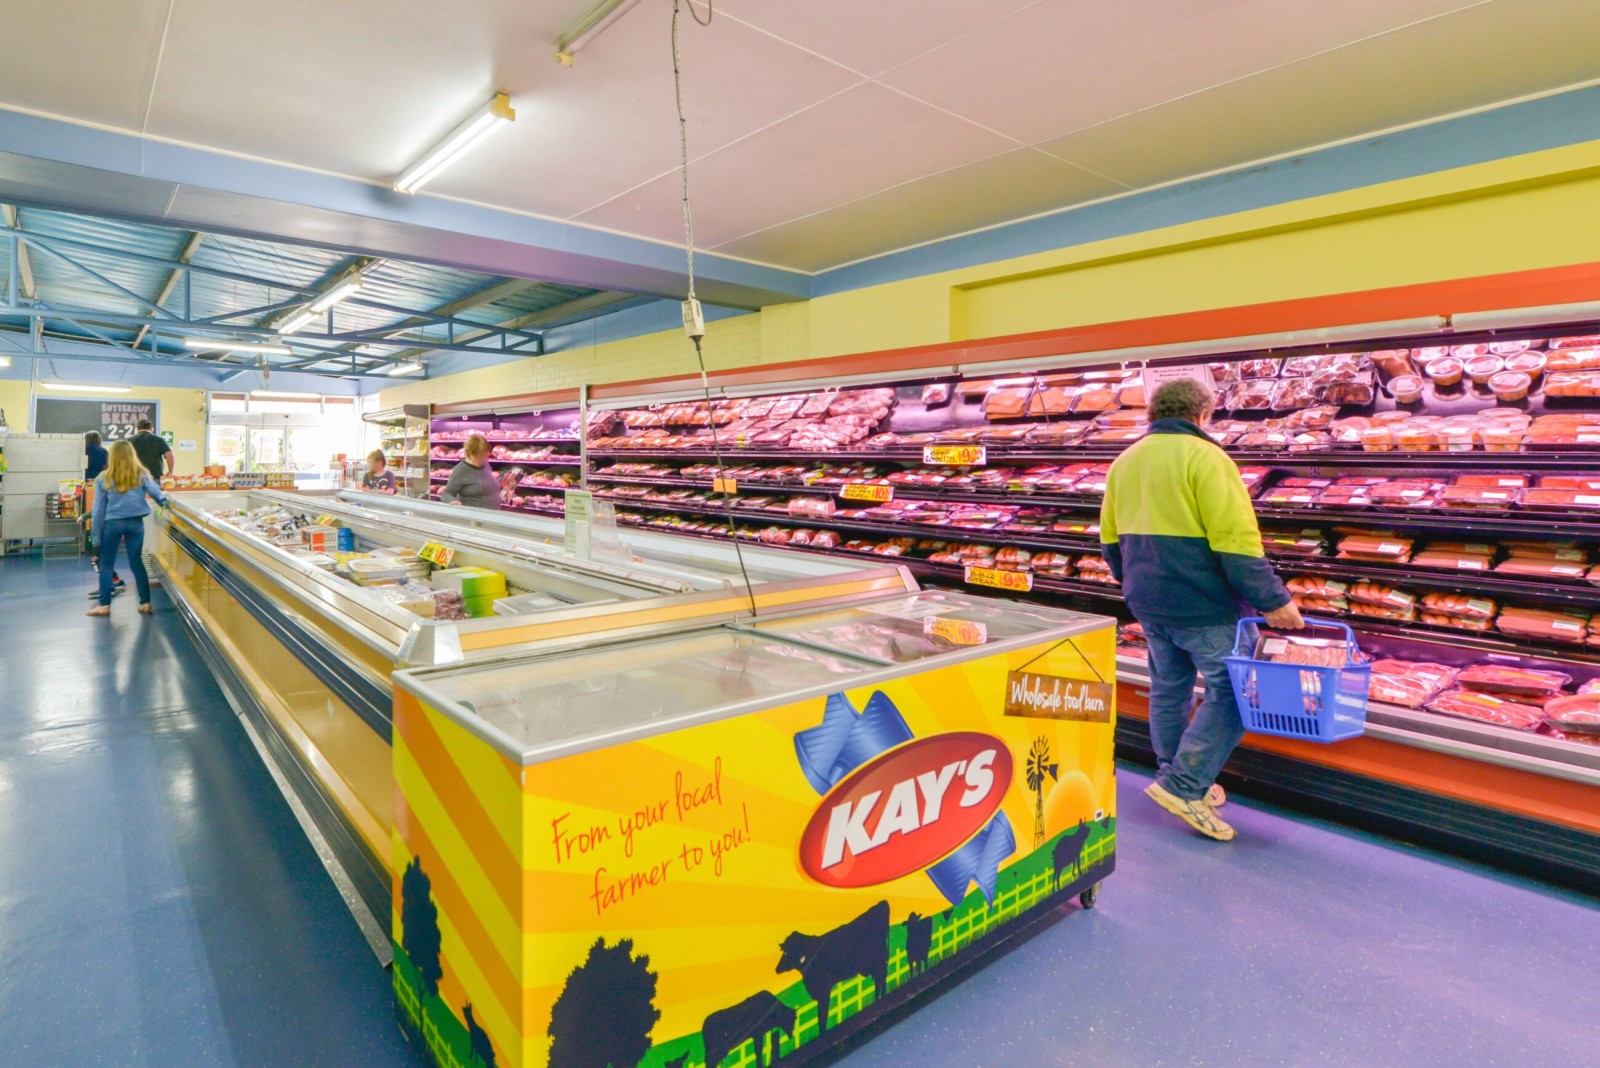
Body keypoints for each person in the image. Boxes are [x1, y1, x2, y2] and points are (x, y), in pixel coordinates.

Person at [1100, 378, 1303, 842]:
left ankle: (1174, 774)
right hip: (1203, 603)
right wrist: (1274, 600)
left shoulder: (1124, 461)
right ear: (1202, 415)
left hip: (1148, 601)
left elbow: (1109, 541)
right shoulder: (1207, 458)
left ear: (1154, 413)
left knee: (1169, 689)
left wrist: (1135, 584)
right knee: (1235, 691)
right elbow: (1236, 542)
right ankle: (1185, 786)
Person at [88, 440, 169, 618]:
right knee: (136, 561)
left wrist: (96, 539)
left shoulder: (103, 478)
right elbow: (158, 494)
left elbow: (98, 511)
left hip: (112, 523)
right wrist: (165, 504)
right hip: (135, 523)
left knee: (106, 564)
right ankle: (145, 603)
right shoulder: (141, 474)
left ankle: (104, 606)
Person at [84, 431, 125, 597]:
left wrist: (88, 519)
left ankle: (107, 589)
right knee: (105, 558)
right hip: (116, 522)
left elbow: (98, 510)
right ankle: (116, 583)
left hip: (102, 525)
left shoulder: (83, 451)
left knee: (98, 558)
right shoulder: (104, 454)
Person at [438, 432, 501, 509]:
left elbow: (487, 488)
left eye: (486, 453)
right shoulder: (461, 470)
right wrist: (454, 501)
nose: (485, 457)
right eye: (480, 455)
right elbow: (446, 494)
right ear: (470, 453)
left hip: (493, 514)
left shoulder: (486, 466)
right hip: (474, 515)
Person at [130, 417, 174, 484]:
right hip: (155, 477)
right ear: (151, 429)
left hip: (135, 477)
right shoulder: (158, 440)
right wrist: (170, 471)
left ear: (137, 429)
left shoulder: (129, 441)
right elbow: (169, 455)